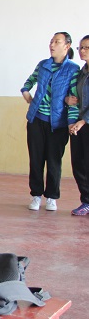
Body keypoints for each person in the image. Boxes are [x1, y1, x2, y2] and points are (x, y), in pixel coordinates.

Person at [22, 32, 80, 211]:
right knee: (36, 159)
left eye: (57, 42)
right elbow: (29, 81)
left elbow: (73, 99)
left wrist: (71, 122)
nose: (52, 45)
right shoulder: (43, 65)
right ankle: (36, 195)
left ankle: (52, 197)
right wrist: (25, 91)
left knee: (54, 161)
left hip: (58, 124)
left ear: (67, 46)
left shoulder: (73, 69)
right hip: (36, 120)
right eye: (51, 41)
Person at [67, 35, 89, 216]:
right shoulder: (81, 73)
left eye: (86, 47)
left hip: (85, 122)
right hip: (79, 124)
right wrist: (68, 100)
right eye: (81, 47)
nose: (82, 51)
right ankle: (86, 201)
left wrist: (83, 121)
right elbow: (74, 97)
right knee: (78, 164)